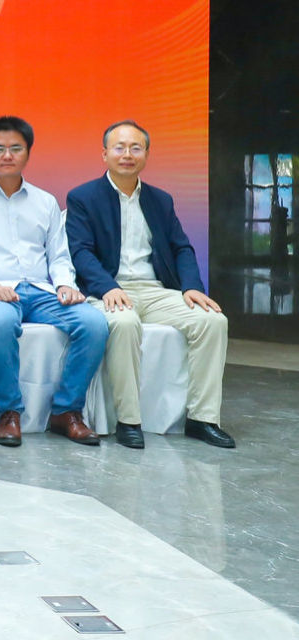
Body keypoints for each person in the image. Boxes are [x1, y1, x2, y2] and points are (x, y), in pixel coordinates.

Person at [66, 120, 232, 449]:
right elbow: (81, 252)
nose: (127, 154)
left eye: (135, 148)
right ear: (104, 154)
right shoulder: (83, 197)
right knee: (125, 323)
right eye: (119, 147)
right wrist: (107, 287)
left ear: (146, 154)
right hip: (108, 290)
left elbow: (182, 248)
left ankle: (202, 419)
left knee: (213, 321)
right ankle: (129, 421)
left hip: (155, 290)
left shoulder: (161, 200)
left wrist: (191, 286)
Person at [0, 116, 106, 447]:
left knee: (94, 323)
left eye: (16, 148)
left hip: (38, 290)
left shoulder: (45, 201)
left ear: (28, 153)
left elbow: (59, 256)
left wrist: (64, 284)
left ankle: (67, 411)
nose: (7, 155)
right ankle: (8, 413)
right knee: (2, 321)